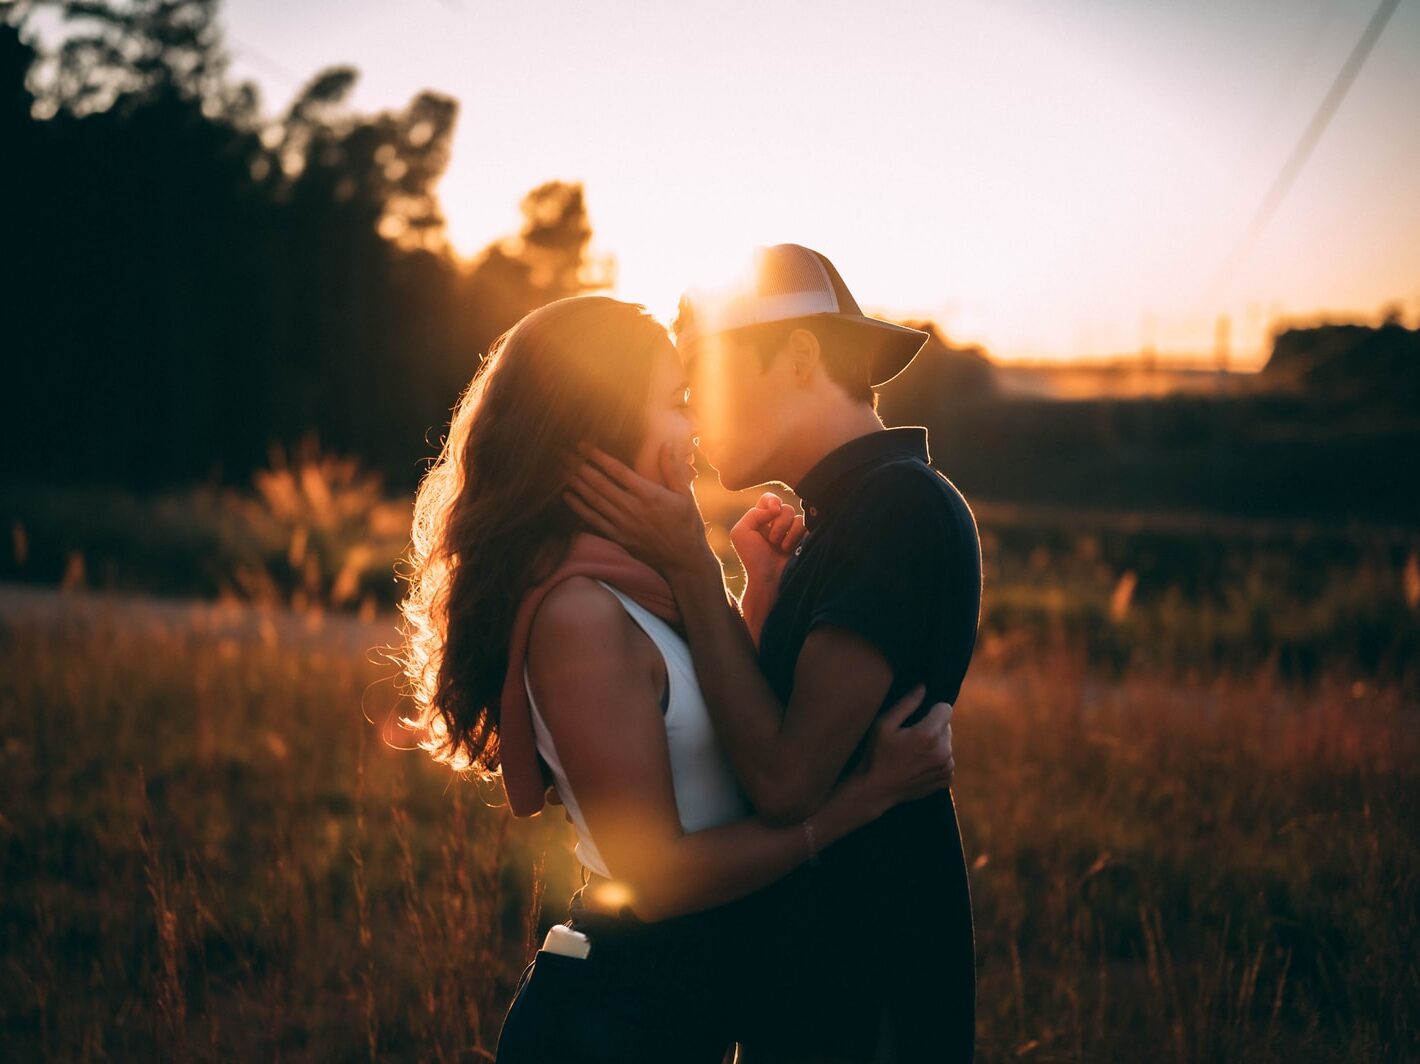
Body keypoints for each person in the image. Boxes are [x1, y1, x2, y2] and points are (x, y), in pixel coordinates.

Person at [395, 295, 959, 1064]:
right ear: (601, 422)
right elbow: (656, 880)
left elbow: (720, 736)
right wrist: (863, 796)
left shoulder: (652, 589)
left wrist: (756, 598)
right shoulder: (576, 614)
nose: (695, 427)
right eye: (675, 403)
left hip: (676, 1014)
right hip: (610, 1019)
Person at [567, 244, 983, 1063]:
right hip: (821, 980)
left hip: (866, 997)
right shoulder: (844, 517)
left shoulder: (893, 508)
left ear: (796, 357)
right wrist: (756, 597)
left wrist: (691, 564)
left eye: (704, 381)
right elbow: (769, 736)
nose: (691, 417)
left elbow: (787, 781)